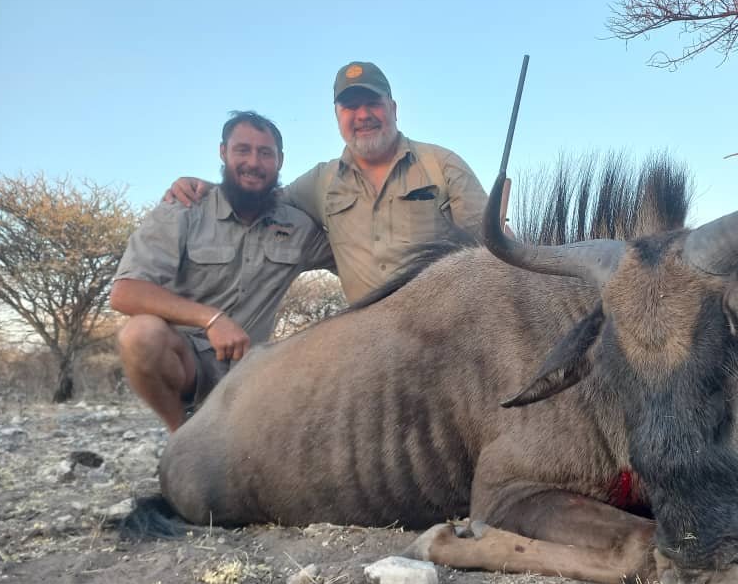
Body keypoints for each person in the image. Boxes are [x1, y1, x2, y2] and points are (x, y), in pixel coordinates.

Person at [167, 62, 488, 303]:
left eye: (373, 103)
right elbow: (263, 200)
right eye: (350, 106)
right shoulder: (321, 181)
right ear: (337, 116)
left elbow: (491, 249)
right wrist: (213, 189)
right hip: (369, 342)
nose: (363, 115)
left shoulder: (441, 164)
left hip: (447, 333)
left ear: (393, 108)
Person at [111, 111, 332, 430]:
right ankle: (181, 438)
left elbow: (354, 259)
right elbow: (125, 292)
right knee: (139, 335)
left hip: (255, 369)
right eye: (242, 150)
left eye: (265, 153)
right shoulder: (183, 209)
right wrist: (211, 319)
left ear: (280, 160)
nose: (253, 162)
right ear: (223, 152)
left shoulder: (298, 226)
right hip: (187, 362)